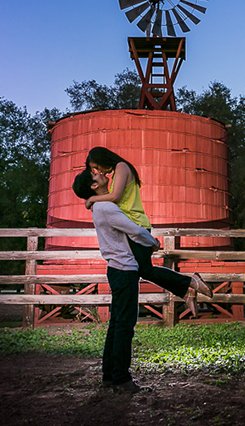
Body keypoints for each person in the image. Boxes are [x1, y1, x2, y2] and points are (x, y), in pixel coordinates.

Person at [71, 169, 207, 393]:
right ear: (94, 186)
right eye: (95, 174)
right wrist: (152, 241)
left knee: (116, 325)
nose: (100, 173)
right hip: (124, 270)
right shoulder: (106, 207)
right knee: (125, 326)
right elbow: (133, 229)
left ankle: (110, 376)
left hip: (117, 269)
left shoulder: (99, 206)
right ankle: (122, 379)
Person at [82, 146, 212, 308]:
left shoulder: (122, 167)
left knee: (145, 271)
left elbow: (115, 196)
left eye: (96, 166)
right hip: (129, 227)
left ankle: (191, 283)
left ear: (103, 159)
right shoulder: (117, 172)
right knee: (140, 271)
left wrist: (93, 200)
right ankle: (186, 290)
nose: (98, 171)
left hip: (136, 224)